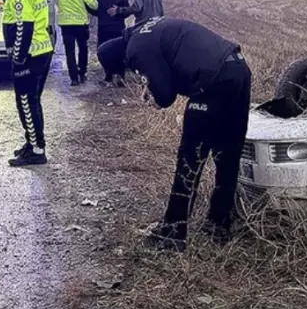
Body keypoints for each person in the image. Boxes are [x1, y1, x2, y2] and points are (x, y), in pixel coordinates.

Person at [97, 16, 251, 251]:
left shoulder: (135, 50)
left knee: (190, 159)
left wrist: (155, 97)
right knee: (228, 154)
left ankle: (173, 234)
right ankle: (219, 223)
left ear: (122, 61)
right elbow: (169, 63)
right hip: (238, 69)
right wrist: (153, 85)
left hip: (211, 81)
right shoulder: (143, 29)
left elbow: (166, 95)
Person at [0, 0, 54, 167]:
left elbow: (23, 27)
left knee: (26, 102)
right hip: (41, 51)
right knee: (32, 101)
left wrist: (17, 57)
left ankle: (37, 149)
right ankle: (32, 142)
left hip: (30, 56)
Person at [56, 0, 98, 85]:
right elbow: (91, 3)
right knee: (83, 48)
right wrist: (97, 6)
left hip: (65, 23)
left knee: (69, 51)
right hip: (80, 23)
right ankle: (82, 73)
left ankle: (73, 78)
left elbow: (58, 1)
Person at [91, 0, 131, 82]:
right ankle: (121, 76)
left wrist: (99, 14)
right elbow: (127, 12)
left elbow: (91, 7)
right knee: (119, 52)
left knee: (103, 51)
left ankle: (108, 75)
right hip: (118, 28)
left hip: (104, 27)